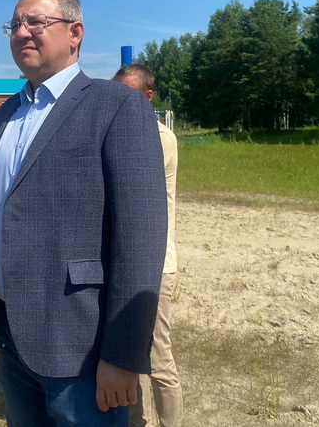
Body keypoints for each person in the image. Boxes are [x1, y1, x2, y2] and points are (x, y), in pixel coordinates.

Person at [0, 0, 168, 426]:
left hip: (83, 343)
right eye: (14, 25)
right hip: (10, 333)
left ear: (75, 33)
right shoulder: (4, 116)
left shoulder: (117, 106)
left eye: (36, 22)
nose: (22, 32)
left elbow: (141, 238)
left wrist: (123, 355)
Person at [113, 64, 183, 427]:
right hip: (125, 263)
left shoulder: (160, 137)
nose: (119, 103)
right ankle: (136, 421)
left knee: (157, 356)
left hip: (156, 265)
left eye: (128, 95)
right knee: (129, 353)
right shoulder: (123, 131)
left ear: (149, 98)